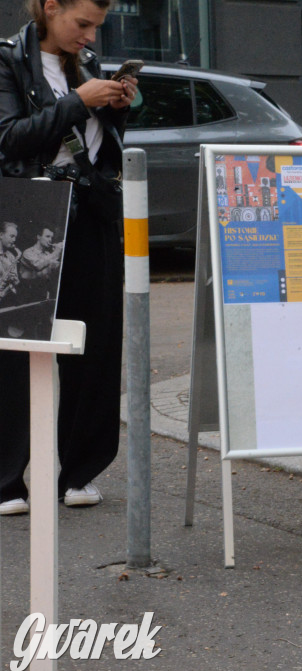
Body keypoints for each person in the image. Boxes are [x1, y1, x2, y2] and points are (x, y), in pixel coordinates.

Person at [0, 0, 139, 515]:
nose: (88, 36)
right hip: (33, 213)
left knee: (95, 346)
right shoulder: (8, 61)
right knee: (17, 347)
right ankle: (7, 481)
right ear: (49, 7)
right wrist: (79, 101)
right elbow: (9, 138)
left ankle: (79, 472)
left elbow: (101, 144)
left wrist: (119, 105)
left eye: (97, 27)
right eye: (82, 24)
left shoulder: (90, 64)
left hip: (94, 211)